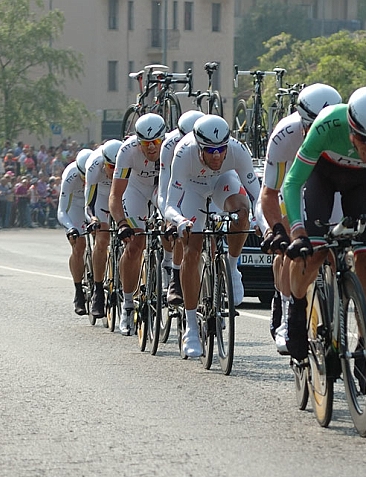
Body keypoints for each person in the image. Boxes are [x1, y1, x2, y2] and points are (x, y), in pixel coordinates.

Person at [282, 85, 366, 390]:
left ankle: (364, 350)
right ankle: (297, 306)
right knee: (312, 252)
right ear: (350, 128)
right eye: (363, 141)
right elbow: (292, 183)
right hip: (323, 175)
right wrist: (298, 231)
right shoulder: (327, 125)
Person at [165, 114, 262, 358]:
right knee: (192, 248)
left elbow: (259, 196)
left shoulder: (238, 151)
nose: (217, 155)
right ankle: (191, 329)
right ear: (199, 146)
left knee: (242, 211)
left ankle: (231, 267)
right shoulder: (183, 152)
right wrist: (180, 221)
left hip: (222, 182)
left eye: (221, 149)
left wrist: (262, 221)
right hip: (193, 189)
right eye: (210, 150)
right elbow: (169, 205)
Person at [258, 83, 343, 355]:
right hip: (289, 187)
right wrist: (280, 231)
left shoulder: (346, 128)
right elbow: (270, 192)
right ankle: (286, 314)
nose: (318, 134)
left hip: (328, 185)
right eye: (311, 127)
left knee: (336, 244)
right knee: (289, 250)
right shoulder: (285, 135)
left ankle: (336, 307)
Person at [109, 113, 167, 336]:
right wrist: (122, 223)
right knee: (134, 246)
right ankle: (127, 304)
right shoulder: (127, 151)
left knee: (171, 229)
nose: (151, 148)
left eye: (155, 142)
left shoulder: (171, 146)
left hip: (160, 189)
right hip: (135, 190)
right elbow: (115, 195)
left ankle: (168, 270)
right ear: (137, 141)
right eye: (145, 143)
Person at [158, 110, 205, 306]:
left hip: (203, 184)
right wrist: (170, 218)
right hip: (178, 184)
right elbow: (164, 191)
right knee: (181, 228)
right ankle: (175, 276)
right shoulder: (169, 146)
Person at [85, 139, 122, 319]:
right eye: (110, 167)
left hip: (122, 193)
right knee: (102, 239)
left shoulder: (126, 161)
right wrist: (92, 219)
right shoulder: (94, 165)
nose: (114, 171)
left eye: (117, 168)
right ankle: (98, 290)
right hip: (101, 195)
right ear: (104, 163)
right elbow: (88, 203)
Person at [57, 148, 93, 315]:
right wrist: (71, 228)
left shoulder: (98, 168)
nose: (86, 180)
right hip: (76, 206)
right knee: (79, 246)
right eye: (83, 177)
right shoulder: (70, 175)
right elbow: (62, 210)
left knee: (104, 238)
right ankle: (79, 291)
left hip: (93, 202)